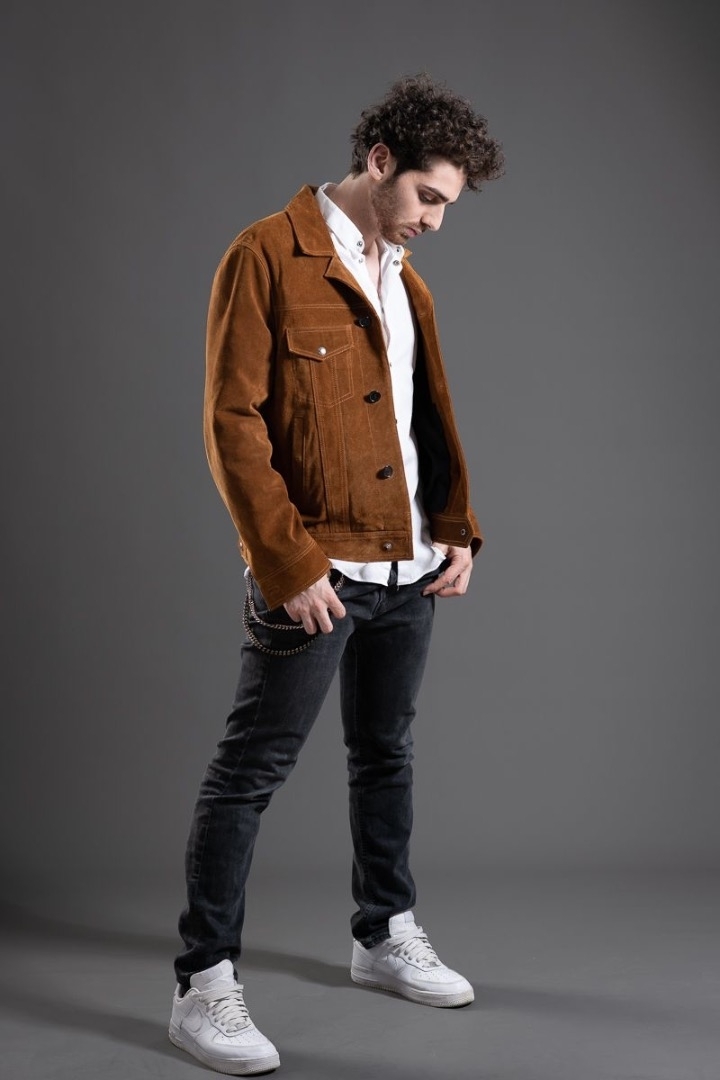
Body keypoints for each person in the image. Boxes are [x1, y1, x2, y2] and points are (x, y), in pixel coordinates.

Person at [169, 73, 503, 1075]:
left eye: (447, 205)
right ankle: (202, 984)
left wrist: (457, 529)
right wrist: (285, 562)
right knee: (249, 774)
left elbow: (426, 416)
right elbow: (232, 425)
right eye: (428, 197)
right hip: (316, 573)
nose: (435, 221)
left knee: (385, 752)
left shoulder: (407, 279)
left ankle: (382, 932)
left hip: (409, 567)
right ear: (378, 161)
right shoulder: (266, 255)